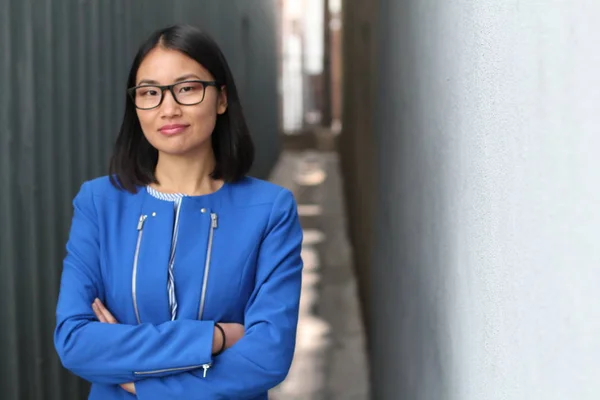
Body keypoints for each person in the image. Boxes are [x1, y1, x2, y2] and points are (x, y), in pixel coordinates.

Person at [53, 24, 304, 400]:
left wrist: (140, 382)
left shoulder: (270, 210)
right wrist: (214, 337)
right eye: (150, 92)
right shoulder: (99, 203)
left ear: (221, 99)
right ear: (135, 105)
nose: (168, 108)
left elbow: (267, 357)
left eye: (186, 88)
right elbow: (75, 340)